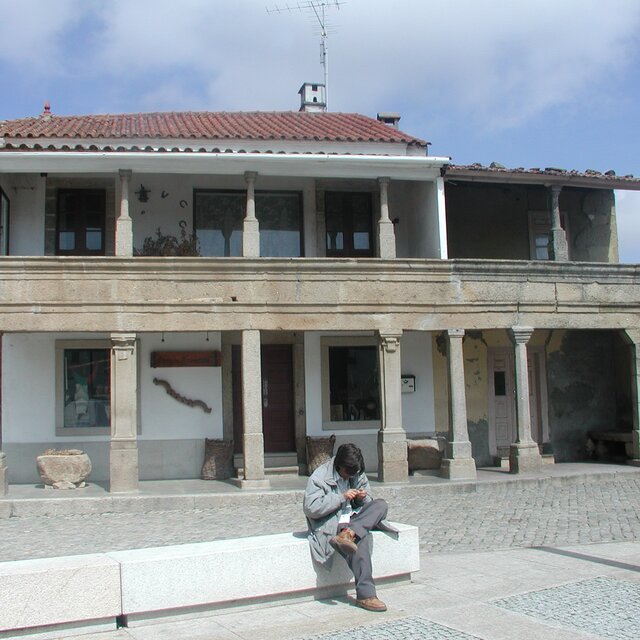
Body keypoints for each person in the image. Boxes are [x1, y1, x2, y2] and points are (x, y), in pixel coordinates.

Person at [303, 442, 396, 612]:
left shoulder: (356, 472)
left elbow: (369, 503)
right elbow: (311, 508)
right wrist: (341, 497)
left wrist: (361, 497)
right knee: (362, 539)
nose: (349, 476)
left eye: (354, 473)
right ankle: (366, 595)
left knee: (381, 505)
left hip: (355, 520)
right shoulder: (319, 477)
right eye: (347, 473)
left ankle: (349, 534)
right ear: (339, 465)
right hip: (333, 522)